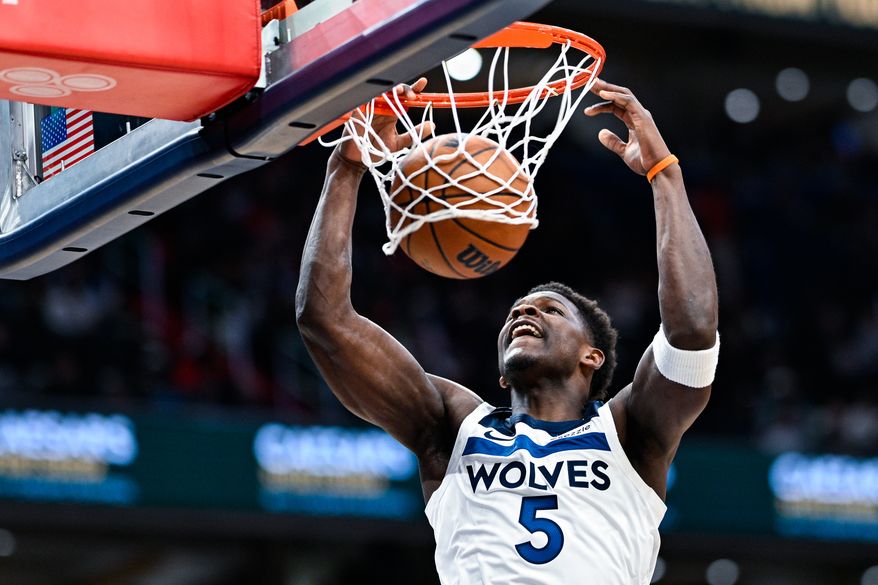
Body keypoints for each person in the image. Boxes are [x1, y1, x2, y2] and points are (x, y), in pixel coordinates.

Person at [295, 77, 719, 585]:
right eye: (516, 311)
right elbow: (324, 321)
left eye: (550, 310)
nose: (523, 314)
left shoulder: (631, 434)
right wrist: (345, 168)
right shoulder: (453, 427)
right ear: (500, 376)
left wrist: (664, 175)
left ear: (592, 356)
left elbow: (692, 330)